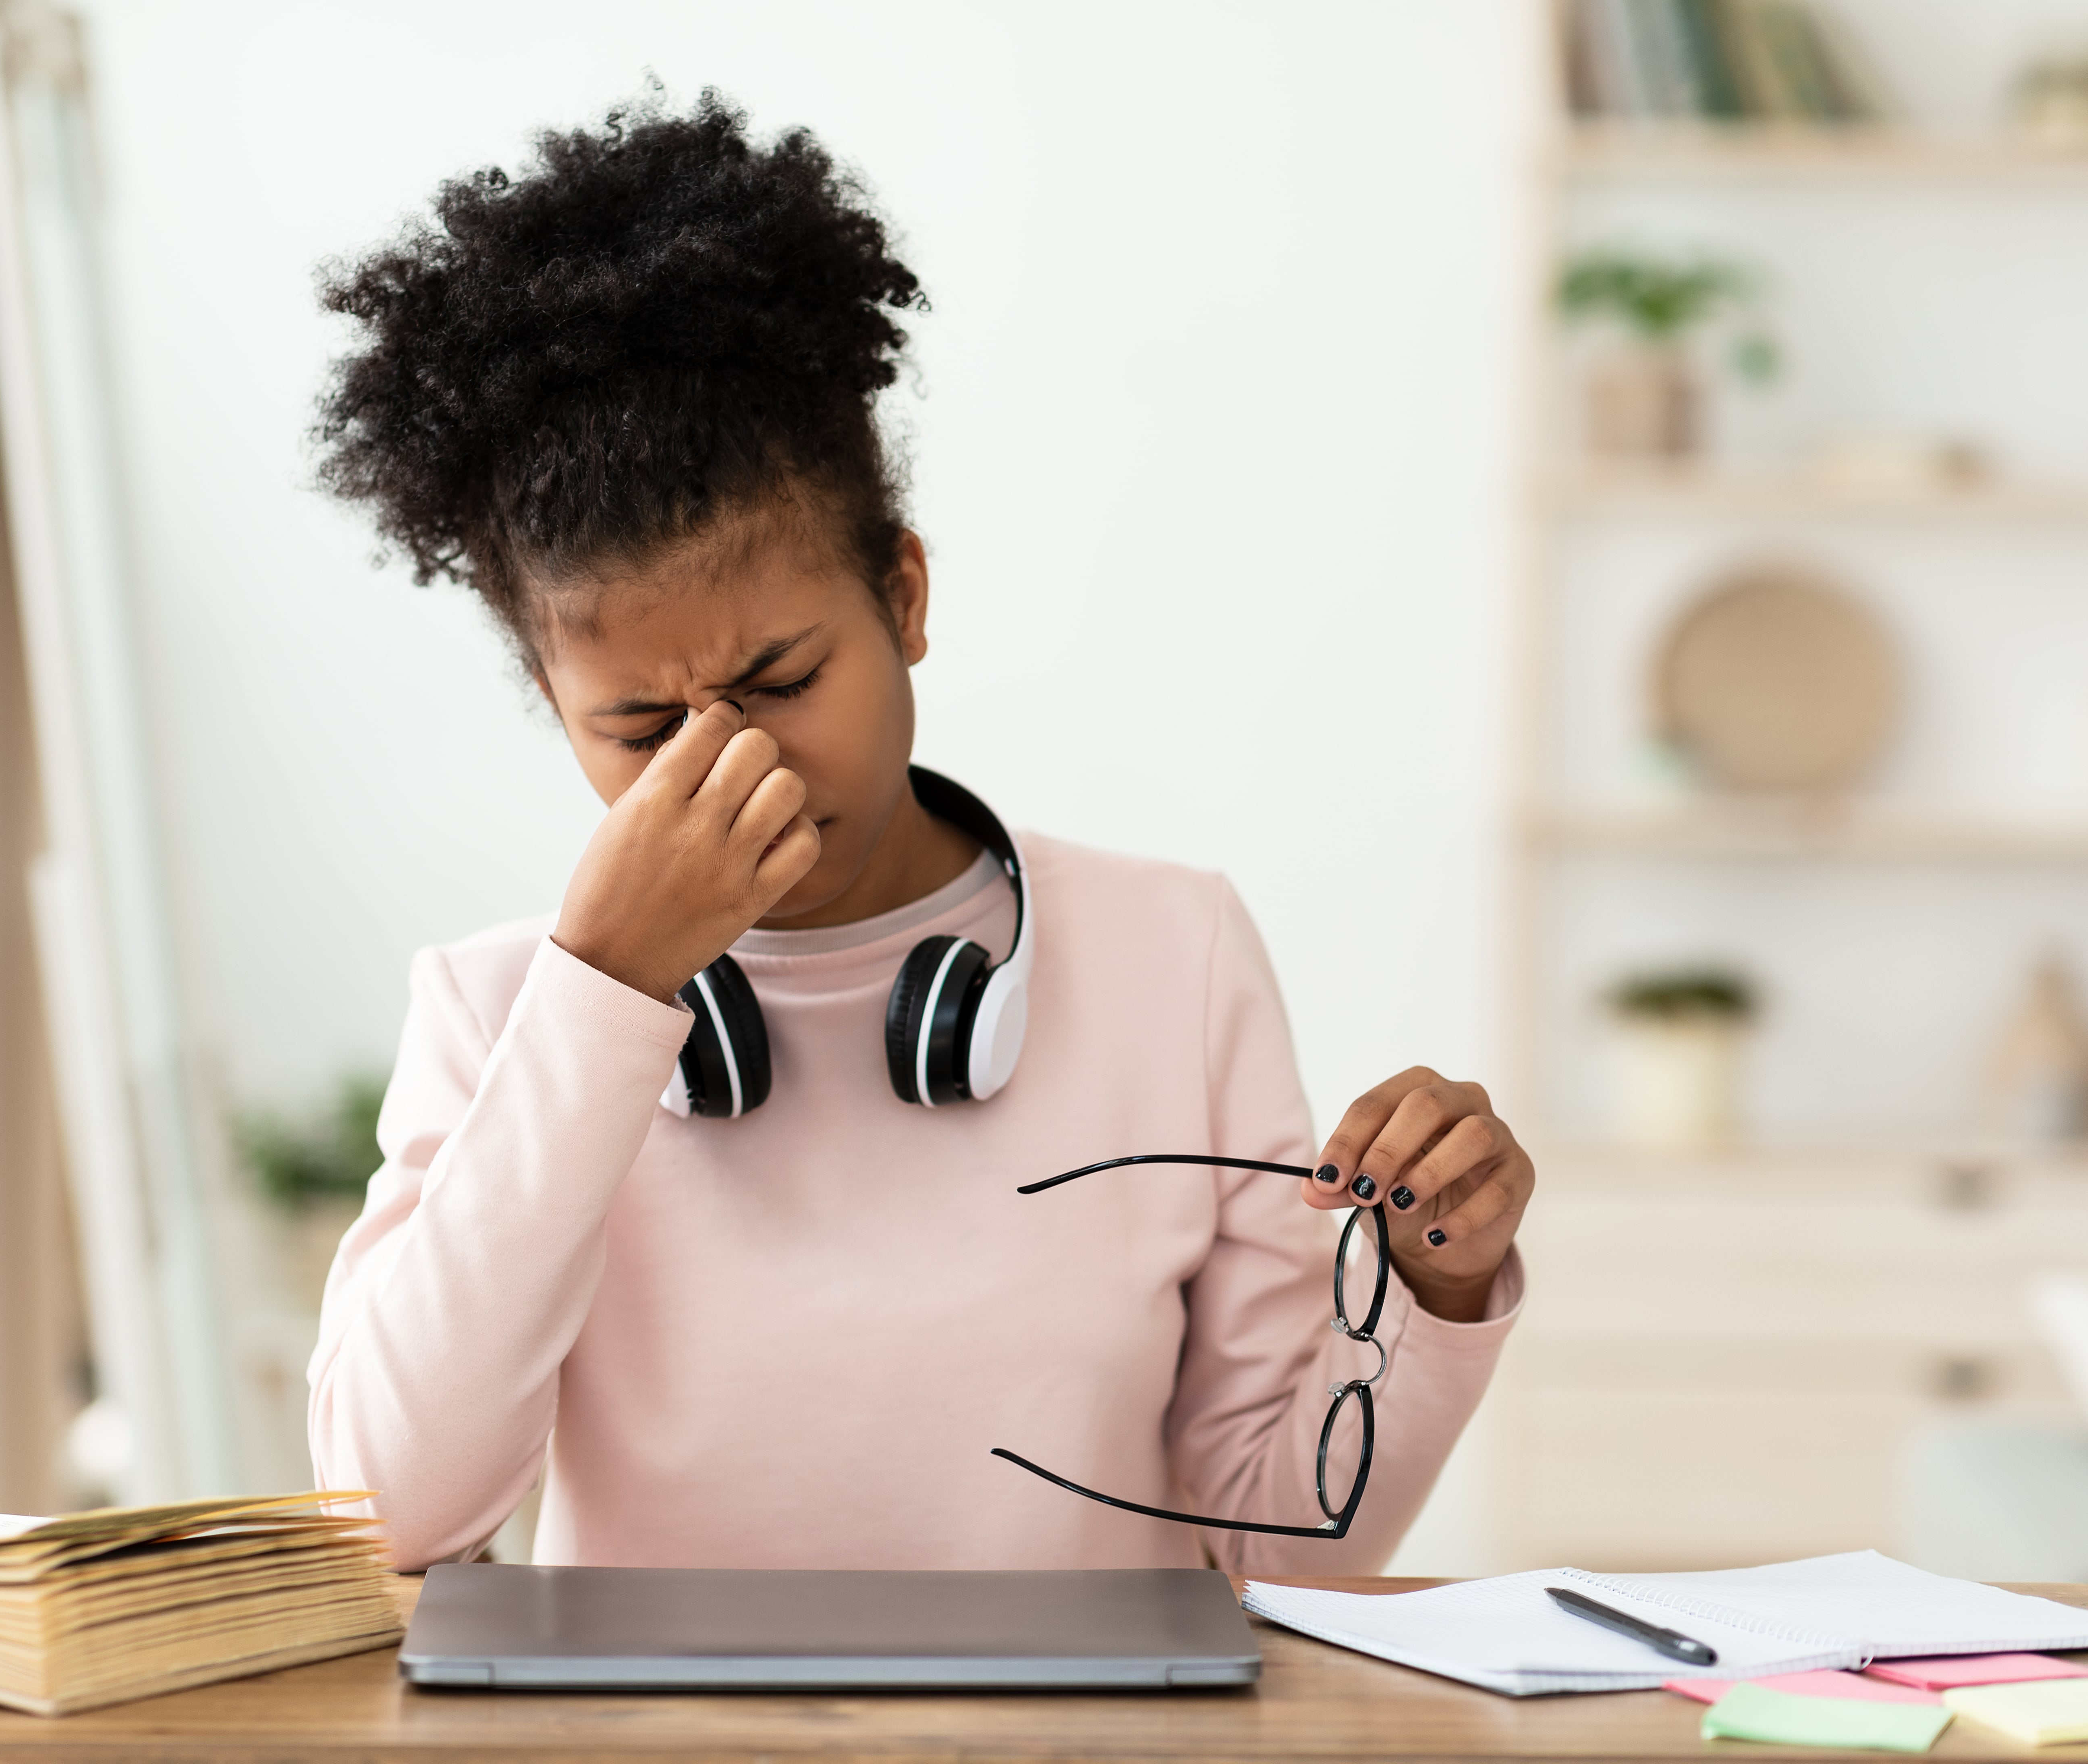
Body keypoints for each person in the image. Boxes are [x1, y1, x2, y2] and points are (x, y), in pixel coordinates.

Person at [304, 93, 1532, 1575]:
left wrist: (1430, 1290)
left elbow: (1277, 1556)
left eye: (784, 680)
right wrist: (606, 994)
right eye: (639, 729)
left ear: (903, 598)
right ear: (553, 707)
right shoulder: (502, 1012)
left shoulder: (1173, 955)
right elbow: (394, 1516)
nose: (728, 765)